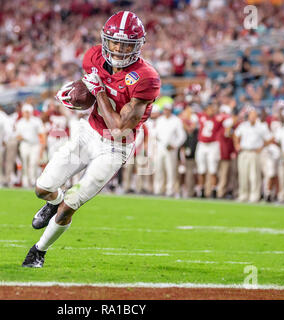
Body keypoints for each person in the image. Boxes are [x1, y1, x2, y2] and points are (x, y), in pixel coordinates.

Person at [22, 11, 160, 268]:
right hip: (89, 133)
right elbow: (89, 86)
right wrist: (74, 93)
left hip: (115, 146)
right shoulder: (94, 56)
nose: (119, 48)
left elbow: (119, 128)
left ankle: (39, 250)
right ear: (105, 39)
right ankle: (52, 203)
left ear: (138, 45)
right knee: (42, 188)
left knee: (70, 205)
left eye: (126, 43)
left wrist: (99, 93)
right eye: (115, 41)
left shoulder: (146, 78)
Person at [233, 108, 273, 203]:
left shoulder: (261, 126)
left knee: (254, 175)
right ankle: (243, 195)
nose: (252, 118)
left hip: (255, 152)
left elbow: (270, 138)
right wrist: (236, 145)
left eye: (254, 116)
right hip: (244, 151)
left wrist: (262, 147)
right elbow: (235, 135)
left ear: (256, 117)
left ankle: (254, 196)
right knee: (243, 174)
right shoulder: (244, 125)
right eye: (251, 116)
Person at [153, 101, 186, 197]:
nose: (166, 111)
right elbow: (155, 134)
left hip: (171, 149)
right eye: (165, 109)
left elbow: (182, 136)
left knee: (171, 170)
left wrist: (174, 145)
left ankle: (170, 190)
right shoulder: (160, 120)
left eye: (168, 109)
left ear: (171, 110)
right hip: (160, 147)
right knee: (159, 169)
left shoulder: (176, 120)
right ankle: (158, 189)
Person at [15, 103, 46, 188]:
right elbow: (17, 135)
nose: (26, 114)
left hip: (35, 145)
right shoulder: (20, 122)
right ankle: (25, 179)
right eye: (25, 112)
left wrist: (42, 146)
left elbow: (42, 133)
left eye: (28, 112)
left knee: (33, 162)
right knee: (24, 163)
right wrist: (19, 137)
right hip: (25, 144)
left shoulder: (36, 121)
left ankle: (33, 180)